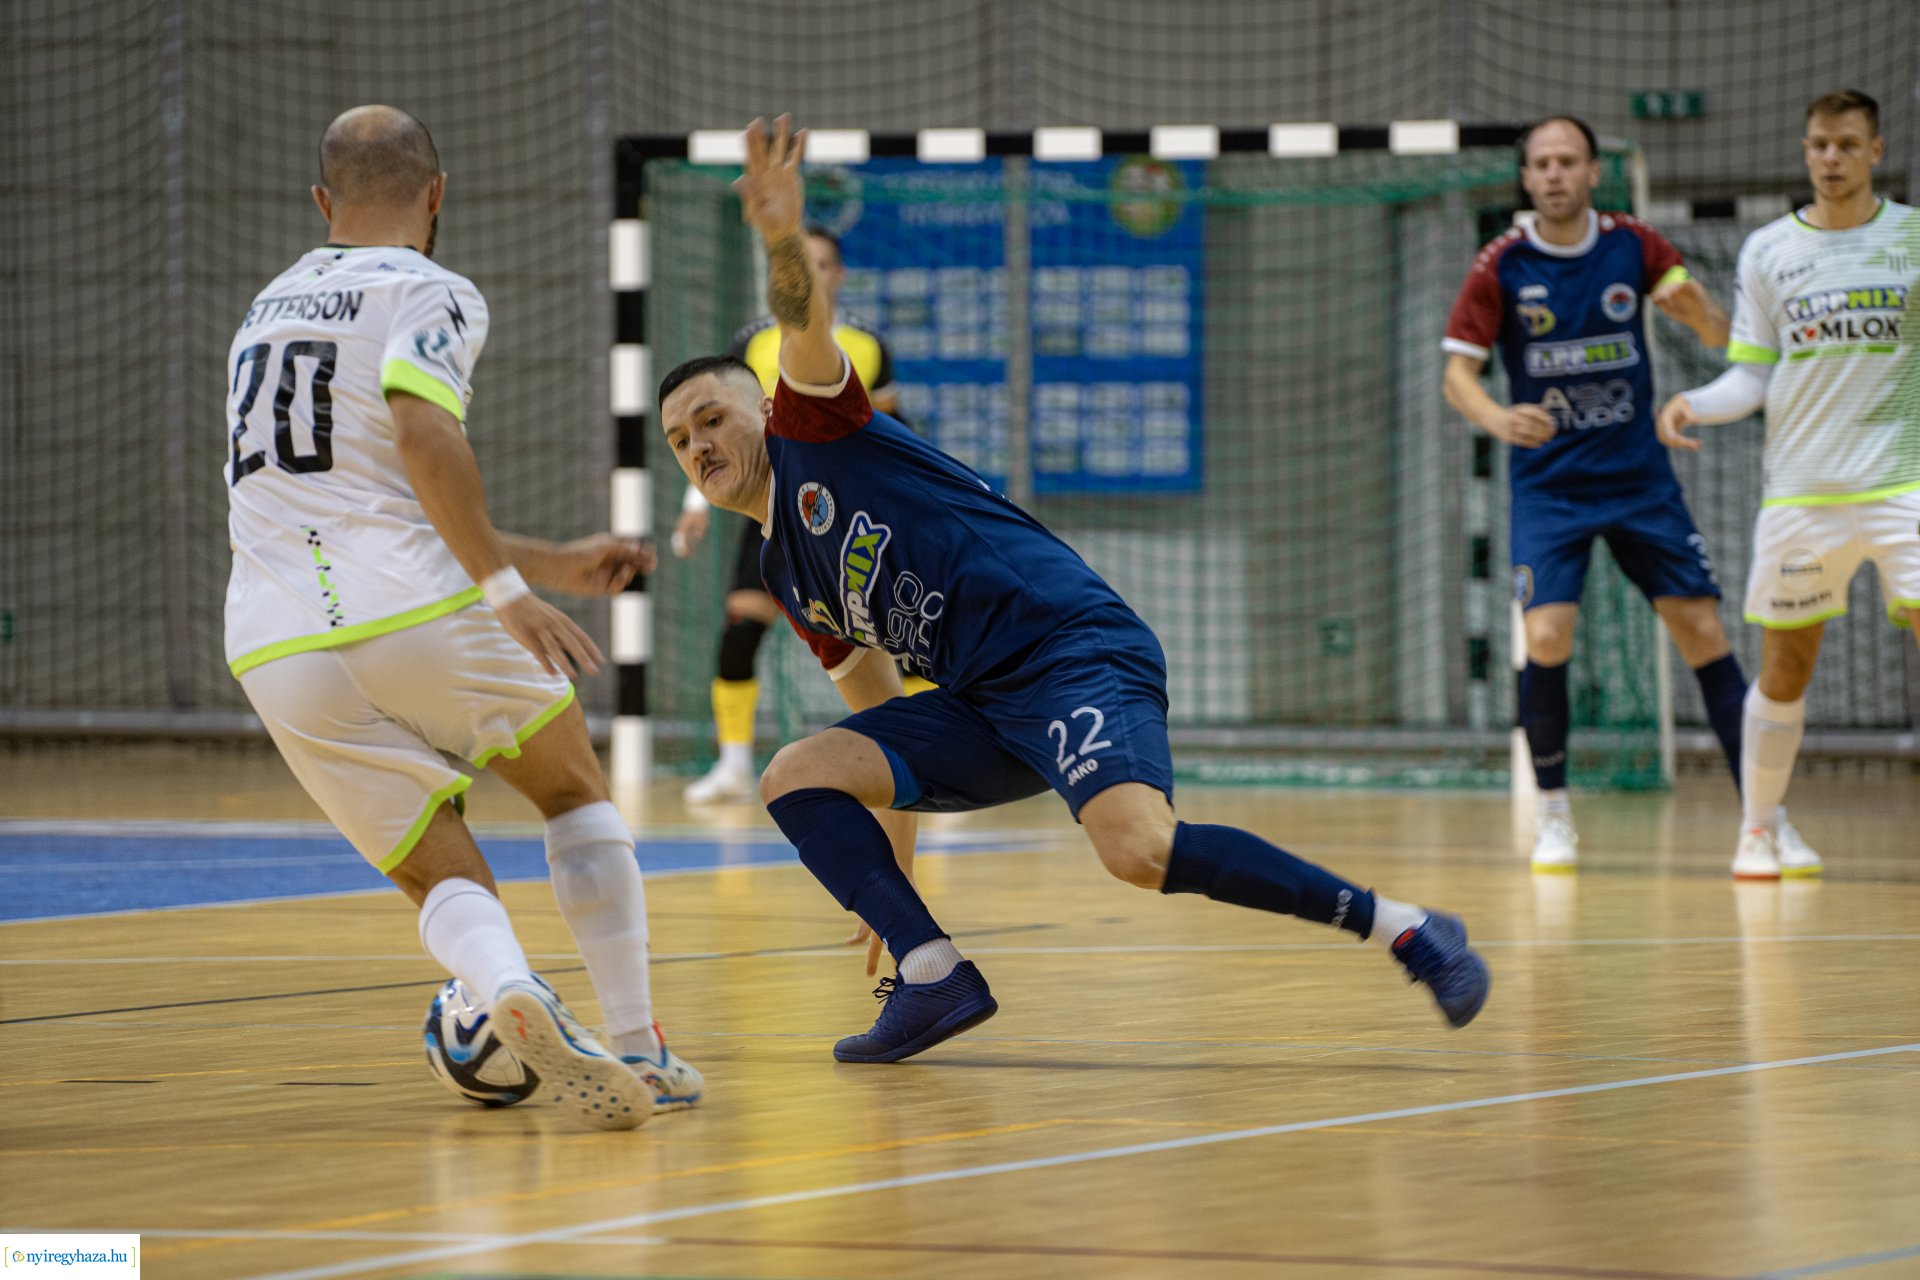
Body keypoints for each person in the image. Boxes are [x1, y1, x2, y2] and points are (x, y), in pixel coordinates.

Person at [657, 116, 1491, 1065]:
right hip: (976, 706)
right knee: (795, 770)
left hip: (1067, 653)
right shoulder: (784, 572)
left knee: (1138, 851)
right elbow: (876, 716)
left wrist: (777, 235)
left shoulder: (816, 424)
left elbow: (801, 320)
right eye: (680, 440)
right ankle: (933, 977)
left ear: (759, 409)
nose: (700, 446)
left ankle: (1408, 929)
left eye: (713, 418)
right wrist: (895, 901)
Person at [223, 105, 700, 1129]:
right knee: (572, 785)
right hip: (411, 605)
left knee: (433, 861)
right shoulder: (429, 286)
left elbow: (348, 496)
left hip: (272, 637)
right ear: (437, 195)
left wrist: (546, 559)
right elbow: (419, 433)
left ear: (321, 204)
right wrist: (509, 592)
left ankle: (504, 982)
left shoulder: (263, 310)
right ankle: (636, 1042)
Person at [1441, 115, 1814, 873]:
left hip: (1640, 480)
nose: (1553, 175)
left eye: (1567, 162)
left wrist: (1700, 311)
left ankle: (1765, 819)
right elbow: (1458, 374)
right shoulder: (1501, 264)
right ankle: (1552, 813)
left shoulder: (1635, 246)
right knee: (1545, 639)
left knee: (1703, 633)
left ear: (1591, 173)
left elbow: (1718, 336)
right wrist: (1495, 417)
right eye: (1540, 164)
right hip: (1549, 489)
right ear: (1526, 178)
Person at [1658, 89, 1920, 879]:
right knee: (1785, 669)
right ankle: (1760, 828)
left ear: (1875, 152)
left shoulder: (1913, 240)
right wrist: (1691, 402)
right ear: (1805, 151)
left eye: (1845, 144)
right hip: (1803, 500)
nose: (1830, 159)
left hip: (1904, 489)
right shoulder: (1769, 251)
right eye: (1817, 145)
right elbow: (1751, 378)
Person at [672, 226, 907, 805]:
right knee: (741, 629)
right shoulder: (753, 340)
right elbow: (713, 425)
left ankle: (929, 758)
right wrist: (695, 503)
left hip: (851, 515)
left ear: (838, 275)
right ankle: (732, 766)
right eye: (800, 264)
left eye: (822, 264)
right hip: (771, 510)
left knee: (903, 637)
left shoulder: (867, 344)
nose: (812, 274)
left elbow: (891, 432)